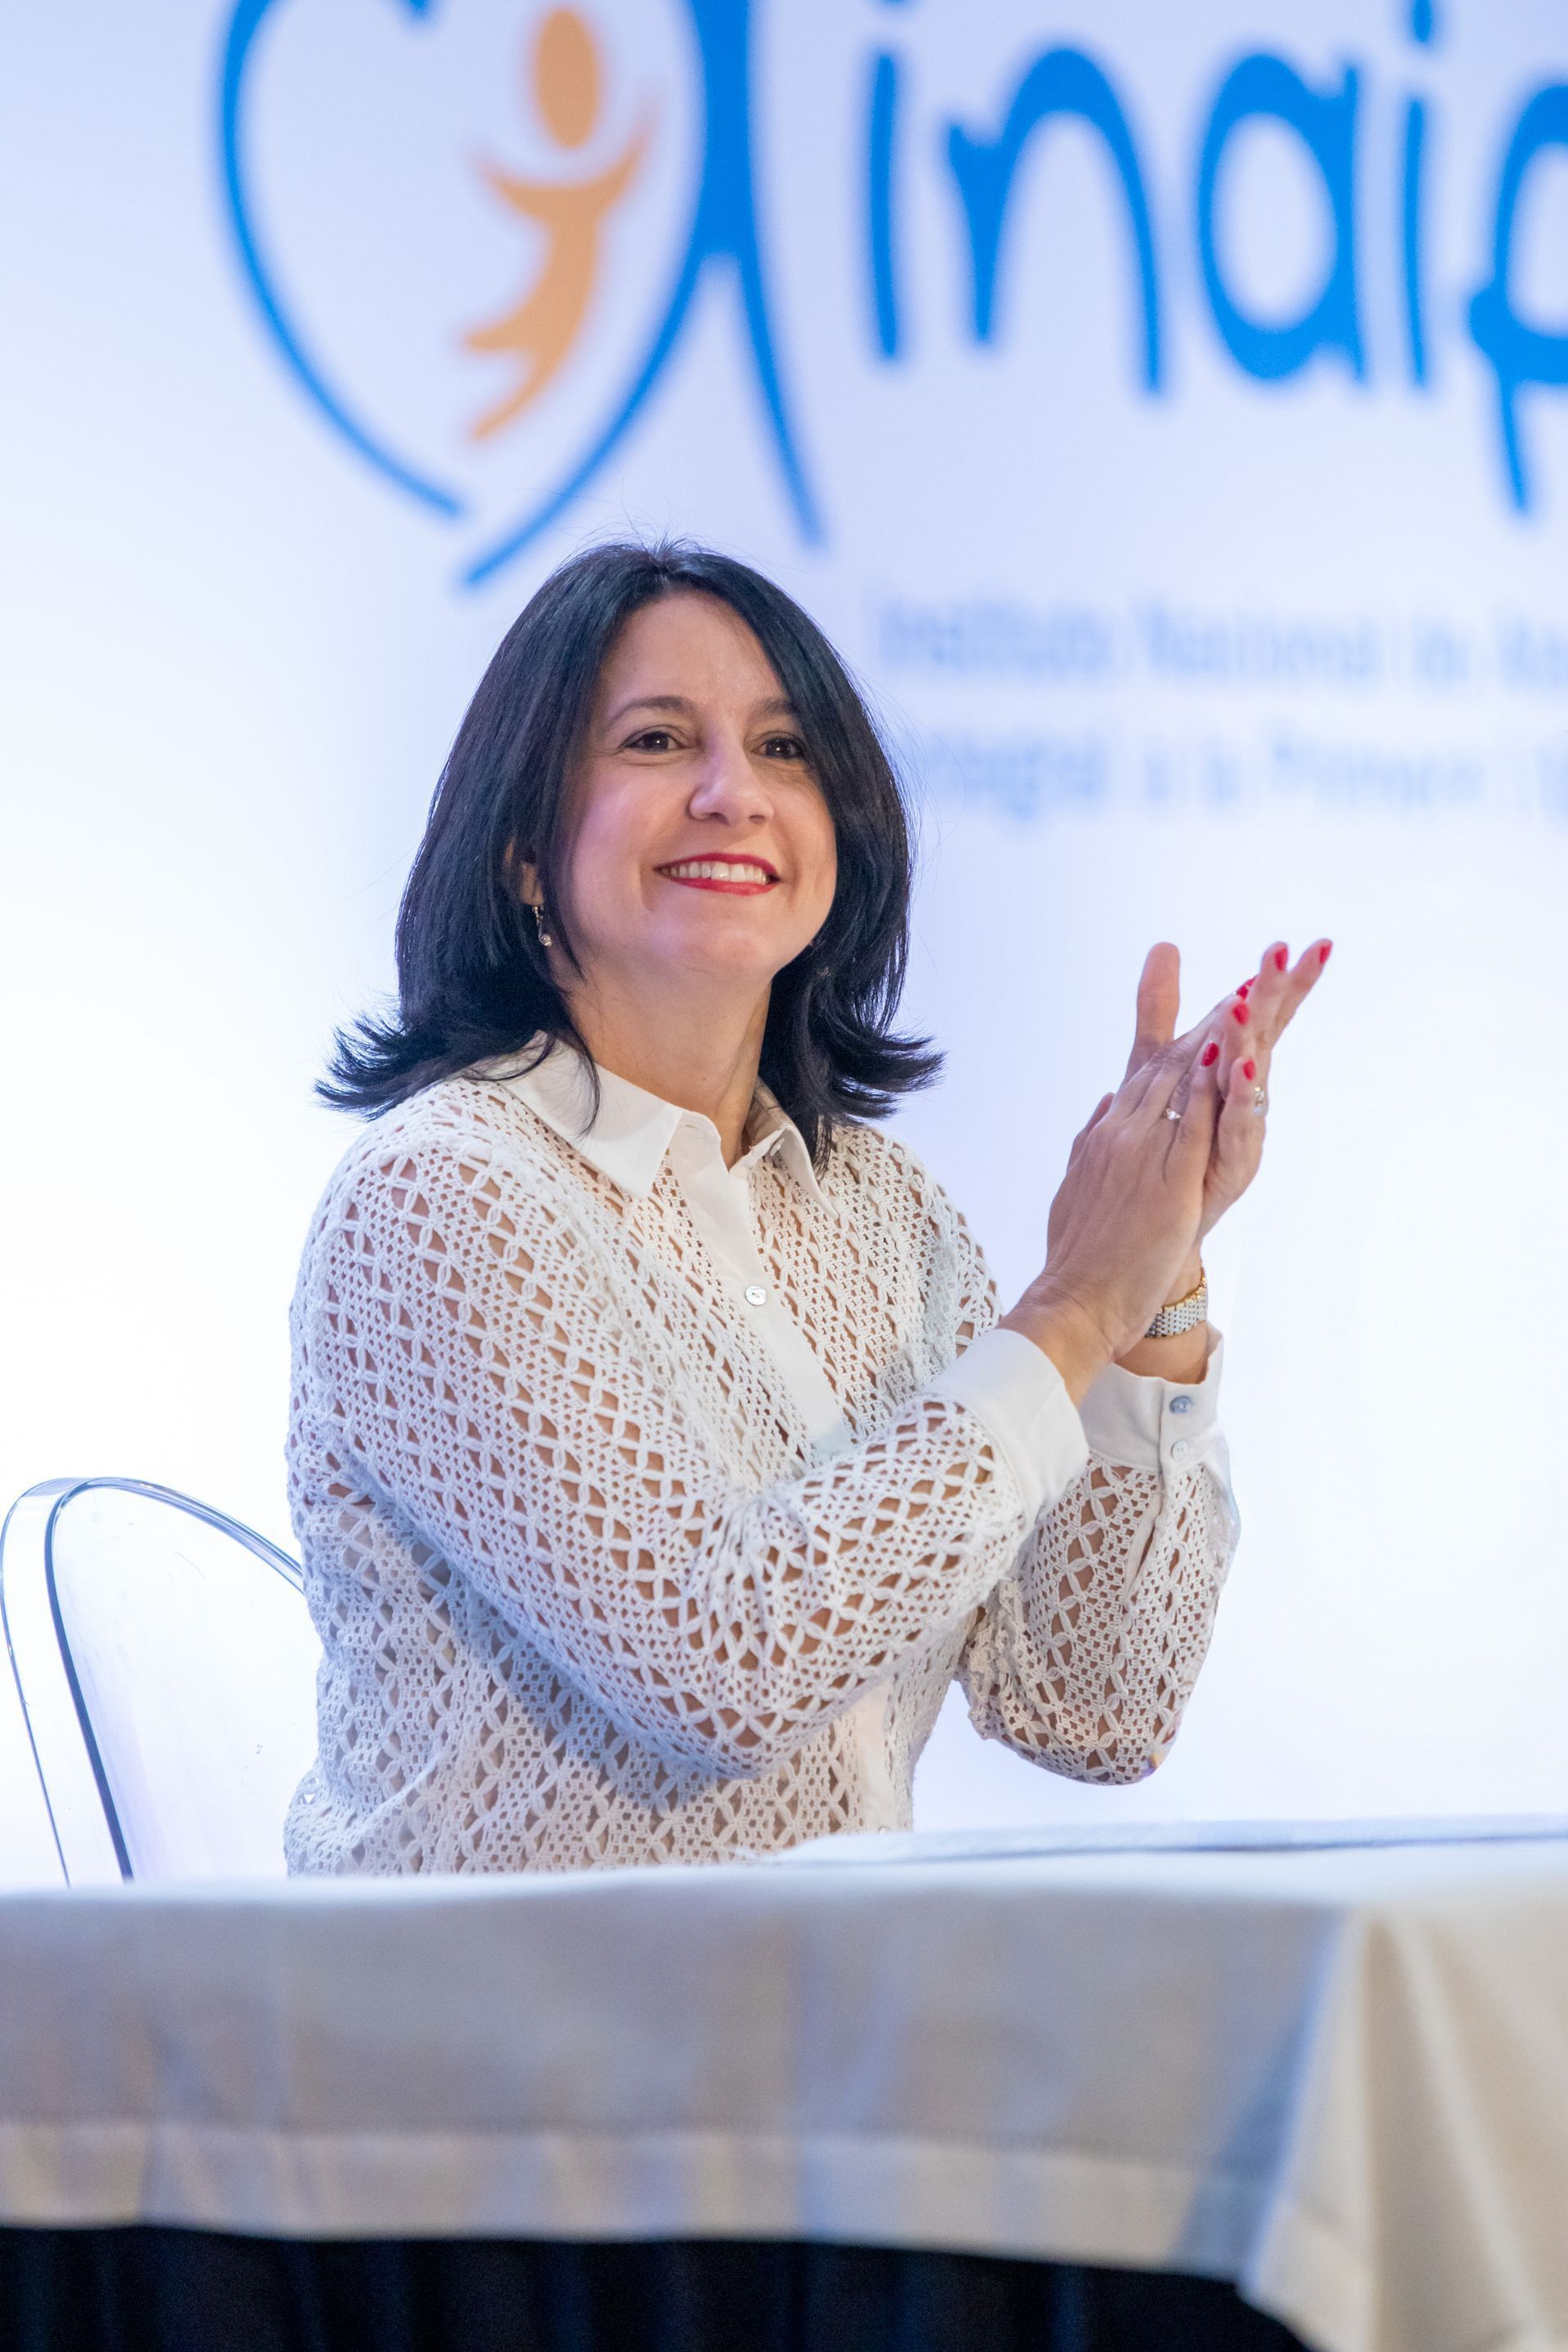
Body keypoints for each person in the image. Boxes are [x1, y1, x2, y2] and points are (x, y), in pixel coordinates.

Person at [284, 541, 1330, 1876]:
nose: (735, 795)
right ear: (526, 853)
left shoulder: (888, 1215)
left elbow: (1096, 1704)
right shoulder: (438, 1197)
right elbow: (724, 1660)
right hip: (503, 2065)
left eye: (786, 751)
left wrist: (1155, 1281)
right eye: (658, 741)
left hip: (821, 2046)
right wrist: (1070, 1309)